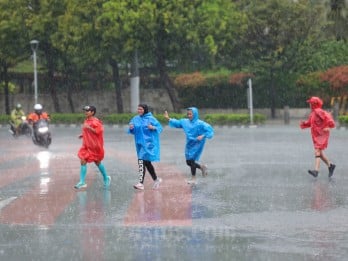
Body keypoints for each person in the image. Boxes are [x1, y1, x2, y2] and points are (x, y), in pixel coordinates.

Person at [164, 107, 214, 184]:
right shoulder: (185, 122)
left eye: (190, 114)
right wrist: (168, 118)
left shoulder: (200, 123)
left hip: (198, 142)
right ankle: (202, 167)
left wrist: (203, 136)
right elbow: (177, 123)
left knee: (191, 160)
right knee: (188, 162)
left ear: (195, 114)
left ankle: (193, 178)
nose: (189, 115)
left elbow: (210, 130)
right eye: (188, 114)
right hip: (189, 143)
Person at [74, 105, 111, 189]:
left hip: (95, 146)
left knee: (97, 162)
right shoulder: (86, 120)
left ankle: (106, 177)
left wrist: (89, 128)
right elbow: (87, 131)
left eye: (87, 111)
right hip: (86, 145)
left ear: (92, 112)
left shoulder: (96, 121)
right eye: (85, 111)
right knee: (83, 160)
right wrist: (83, 135)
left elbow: (99, 132)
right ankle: (82, 182)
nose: (85, 112)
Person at [128, 104, 163, 190]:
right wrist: (131, 128)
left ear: (145, 110)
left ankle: (140, 183)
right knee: (147, 163)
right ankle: (156, 179)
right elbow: (132, 130)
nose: (139, 111)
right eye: (138, 109)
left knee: (141, 160)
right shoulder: (135, 118)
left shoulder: (151, 118)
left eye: (141, 109)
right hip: (139, 143)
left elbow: (160, 128)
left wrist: (153, 127)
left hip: (148, 144)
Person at [300, 96, 336, 178]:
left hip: (321, 134)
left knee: (317, 151)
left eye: (310, 103)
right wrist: (304, 124)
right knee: (321, 153)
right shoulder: (313, 113)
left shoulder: (318, 111)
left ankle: (316, 171)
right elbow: (310, 122)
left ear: (313, 104)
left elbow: (328, 118)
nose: (309, 105)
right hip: (316, 135)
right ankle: (330, 165)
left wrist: (329, 126)